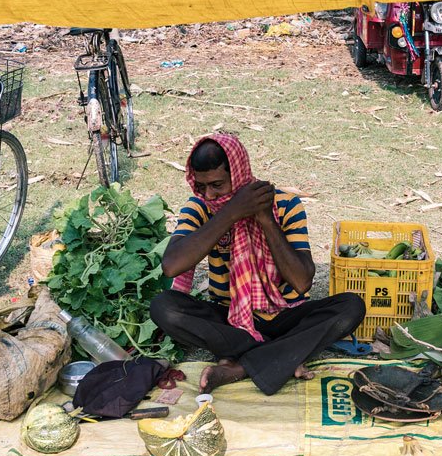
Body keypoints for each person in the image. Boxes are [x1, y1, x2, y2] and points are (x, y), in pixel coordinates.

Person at [151, 133, 364, 395]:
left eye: (217, 185)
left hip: (286, 315)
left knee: (351, 306)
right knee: (164, 307)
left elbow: (302, 281)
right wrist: (232, 213)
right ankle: (281, 356)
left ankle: (240, 367)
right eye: (202, 185)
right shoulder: (200, 207)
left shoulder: (285, 205)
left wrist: (264, 218)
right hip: (230, 318)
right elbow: (172, 266)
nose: (209, 193)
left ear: (239, 175)